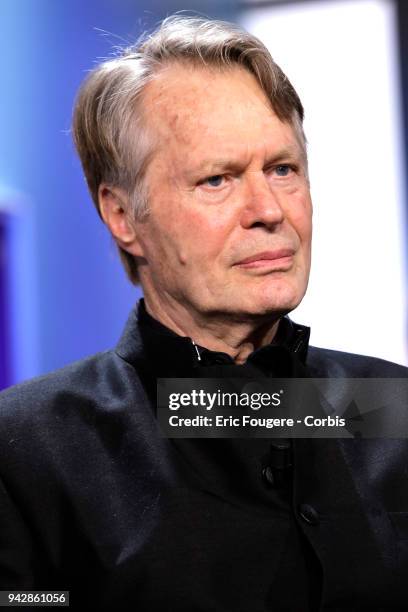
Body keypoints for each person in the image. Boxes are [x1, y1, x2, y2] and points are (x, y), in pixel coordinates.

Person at [0, 15, 407, 611]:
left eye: (282, 169)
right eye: (217, 180)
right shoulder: (28, 449)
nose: (268, 209)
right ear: (122, 215)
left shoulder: (390, 407)